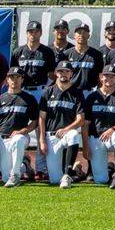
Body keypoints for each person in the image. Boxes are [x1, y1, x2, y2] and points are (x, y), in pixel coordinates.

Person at [9, 19, 56, 180]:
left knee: (41, 129)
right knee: (20, 126)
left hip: (41, 91)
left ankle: (41, 168)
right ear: (26, 33)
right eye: (30, 31)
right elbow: (12, 74)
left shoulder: (47, 52)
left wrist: (47, 91)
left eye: (36, 31)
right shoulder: (18, 52)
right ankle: (21, 163)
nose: (33, 34)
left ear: (41, 33)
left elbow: (51, 75)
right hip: (22, 92)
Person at [37, 59, 86, 188]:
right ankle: (75, 169)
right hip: (51, 136)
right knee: (54, 180)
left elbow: (80, 119)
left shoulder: (77, 93)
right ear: (55, 73)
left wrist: (67, 129)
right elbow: (41, 118)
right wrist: (42, 140)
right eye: (60, 71)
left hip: (67, 133)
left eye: (67, 71)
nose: (63, 74)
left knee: (74, 134)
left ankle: (68, 174)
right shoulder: (48, 92)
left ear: (71, 74)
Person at [0, 67, 39, 188]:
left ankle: (16, 175)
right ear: (7, 80)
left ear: (22, 80)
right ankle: (24, 166)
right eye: (11, 77)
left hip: (21, 137)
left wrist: (23, 131)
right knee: (6, 177)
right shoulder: (0, 99)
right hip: (3, 138)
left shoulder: (29, 98)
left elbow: (35, 121)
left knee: (18, 140)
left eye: (17, 77)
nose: (14, 80)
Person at [83, 67, 115, 188]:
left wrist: (113, 129)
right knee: (101, 180)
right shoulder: (91, 97)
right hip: (96, 138)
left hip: (112, 136)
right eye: (106, 76)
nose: (108, 79)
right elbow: (85, 124)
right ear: (101, 77)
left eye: (112, 76)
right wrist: (85, 145)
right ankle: (109, 168)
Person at [63, 24, 103, 97]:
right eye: (79, 32)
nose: (81, 35)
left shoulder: (97, 55)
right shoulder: (66, 54)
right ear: (74, 35)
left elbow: (100, 77)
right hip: (71, 92)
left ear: (88, 35)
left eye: (84, 32)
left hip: (90, 92)